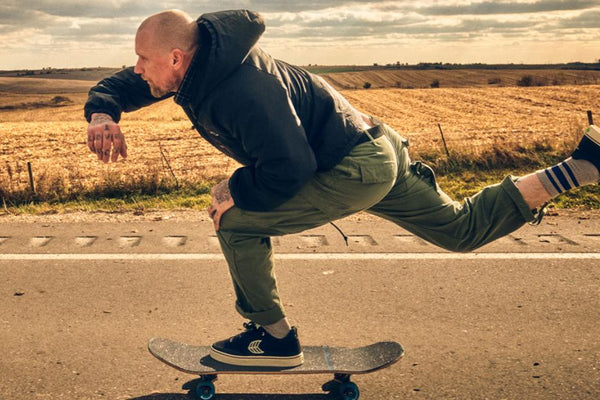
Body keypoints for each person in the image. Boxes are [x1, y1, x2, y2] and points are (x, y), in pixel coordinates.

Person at [84, 9, 600, 368]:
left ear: (176, 58)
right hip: (377, 147)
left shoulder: (239, 90)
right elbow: (136, 83)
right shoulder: (206, 62)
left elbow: (288, 168)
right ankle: (581, 167)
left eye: (143, 58)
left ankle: (273, 337)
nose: (136, 67)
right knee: (460, 230)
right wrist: (104, 110)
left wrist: (233, 188)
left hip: (352, 167)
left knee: (236, 223)